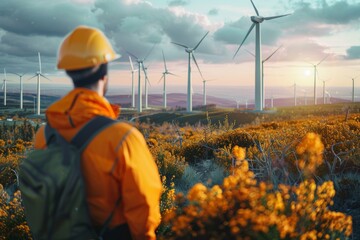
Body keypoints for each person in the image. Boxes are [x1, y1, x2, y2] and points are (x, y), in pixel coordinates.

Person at [34, 25, 162, 240]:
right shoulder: (123, 137)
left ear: (68, 71)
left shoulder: (44, 135)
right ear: (104, 71)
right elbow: (143, 205)